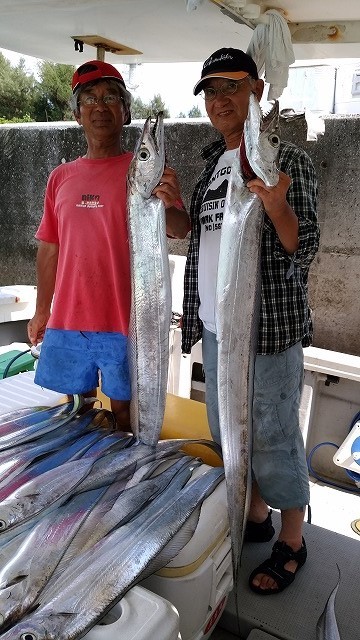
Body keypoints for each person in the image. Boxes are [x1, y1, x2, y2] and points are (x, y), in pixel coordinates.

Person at [181, 48, 320, 594]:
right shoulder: (212, 162)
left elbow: (302, 246)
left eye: (231, 87)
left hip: (268, 332)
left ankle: (291, 540)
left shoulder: (289, 162)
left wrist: (278, 206)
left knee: (273, 435)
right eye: (211, 90)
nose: (220, 100)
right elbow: (205, 236)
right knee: (226, 428)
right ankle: (256, 513)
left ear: (257, 91)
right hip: (218, 328)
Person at [28, 59, 190, 430]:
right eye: (89, 99)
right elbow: (49, 248)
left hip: (126, 323)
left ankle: (126, 481)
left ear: (126, 111)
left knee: (126, 416)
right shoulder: (60, 178)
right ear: (77, 113)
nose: (100, 107)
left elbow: (180, 230)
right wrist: (41, 311)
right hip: (68, 319)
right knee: (72, 414)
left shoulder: (148, 171)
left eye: (111, 97)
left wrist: (169, 202)